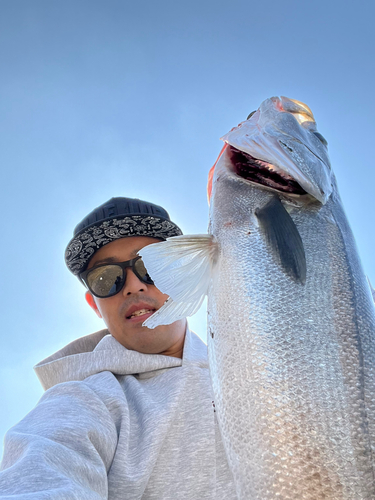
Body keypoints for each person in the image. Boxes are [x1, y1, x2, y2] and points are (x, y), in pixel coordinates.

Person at [0, 197, 237, 499]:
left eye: (152, 265)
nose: (134, 285)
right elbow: (41, 473)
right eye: (106, 277)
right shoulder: (87, 399)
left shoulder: (261, 369)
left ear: (183, 274)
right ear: (94, 305)